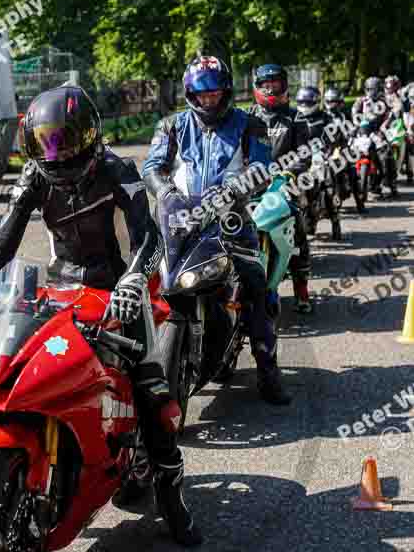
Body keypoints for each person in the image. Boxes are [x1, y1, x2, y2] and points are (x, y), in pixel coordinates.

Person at [0, 85, 202, 547]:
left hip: (118, 288)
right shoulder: (34, 176)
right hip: (60, 285)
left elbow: (149, 238)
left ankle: (172, 501)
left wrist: (134, 281)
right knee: (15, 365)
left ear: (89, 136)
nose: (57, 153)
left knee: (154, 396)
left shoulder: (118, 171)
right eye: (46, 142)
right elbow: (5, 235)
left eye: (65, 141)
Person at [142, 56, 291, 406]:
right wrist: (164, 191)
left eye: (215, 94)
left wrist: (236, 189)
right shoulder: (171, 126)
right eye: (202, 95)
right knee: (140, 280)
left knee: (256, 287)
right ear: (190, 94)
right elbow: (152, 167)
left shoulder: (250, 125)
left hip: (231, 220)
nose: (209, 100)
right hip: (180, 220)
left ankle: (268, 372)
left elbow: (262, 168)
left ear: (226, 92)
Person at [245, 64, 312, 313]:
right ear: (257, 87)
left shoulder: (295, 117)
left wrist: (290, 173)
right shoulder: (248, 116)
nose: (271, 88)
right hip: (250, 184)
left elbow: (304, 154)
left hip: (285, 183)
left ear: (284, 85)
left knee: (298, 227)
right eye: (266, 84)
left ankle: (301, 288)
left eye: (275, 83)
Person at [294, 85, 342, 240]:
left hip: (319, 156)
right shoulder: (294, 118)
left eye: (307, 103)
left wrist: (329, 151)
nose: (304, 106)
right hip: (299, 158)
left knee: (329, 186)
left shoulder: (326, 118)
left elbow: (334, 136)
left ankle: (335, 219)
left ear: (316, 102)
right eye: (301, 102)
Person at [323, 86, 366, 214]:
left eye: (334, 102)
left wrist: (352, 132)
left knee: (352, 170)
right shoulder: (322, 116)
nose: (331, 104)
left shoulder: (345, 115)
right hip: (326, 149)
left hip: (342, 146)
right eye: (329, 101)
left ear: (340, 102)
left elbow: (354, 125)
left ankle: (360, 203)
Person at [352, 76, 396, 198]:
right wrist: (356, 125)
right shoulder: (360, 101)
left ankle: (389, 182)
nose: (371, 92)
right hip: (362, 133)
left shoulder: (385, 102)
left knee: (386, 155)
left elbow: (389, 116)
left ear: (379, 89)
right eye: (369, 89)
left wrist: (383, 128)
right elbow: (354, 114)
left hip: (378, 133)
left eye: (374, 89)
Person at [383, 75, 412, 183]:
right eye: (388, 85)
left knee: (409, 144)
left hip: (400, 125)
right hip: (384, 125)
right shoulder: (381, 97)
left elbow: (407, 111)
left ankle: (409, 170)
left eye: (393, 85)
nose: (390, 88)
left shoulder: (402, 97)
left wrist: (408, 128)